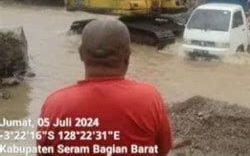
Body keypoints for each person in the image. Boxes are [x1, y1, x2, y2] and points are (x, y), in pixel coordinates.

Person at [37, 19, 172, 155]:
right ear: (128, 55)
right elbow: (163, 148)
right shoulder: (149, 98)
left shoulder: (55, 105)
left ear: (81, 54)